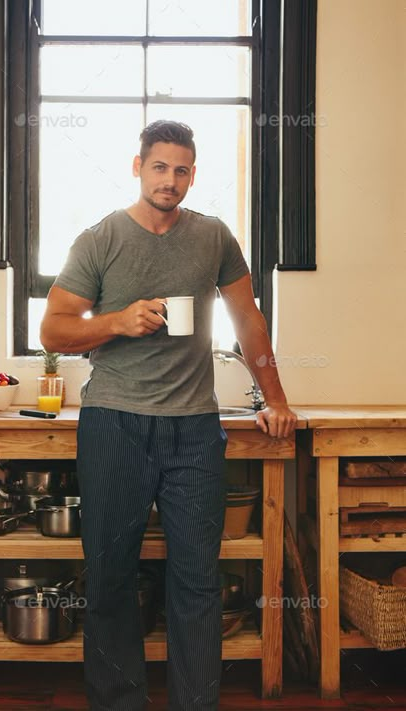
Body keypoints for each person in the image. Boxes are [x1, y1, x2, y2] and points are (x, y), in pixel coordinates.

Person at [40, 120, 297, 711]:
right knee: (108, 577)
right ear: (138, 167)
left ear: (193, 175)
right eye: (160, 167)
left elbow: (248, 319)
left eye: (182, 169)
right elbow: (53, 329)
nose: (171, 180)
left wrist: (275, 399)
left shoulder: (213, 238)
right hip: (114, 424)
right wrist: (118, 321)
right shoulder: (100, 238)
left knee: (198, 579)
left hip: (193, 430)